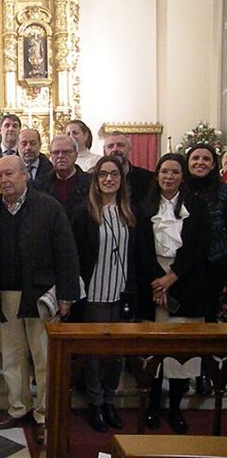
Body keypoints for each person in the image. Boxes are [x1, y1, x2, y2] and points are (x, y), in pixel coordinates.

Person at [0, 155, 79, 444]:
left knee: (43, 358)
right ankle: (18, 408)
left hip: (40, 294)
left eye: (10, 174)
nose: (4, 180)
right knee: (12, 358)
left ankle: (44, 415)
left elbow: (66, 252)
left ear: (24, 176)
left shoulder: (48, 207)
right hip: (4, 295)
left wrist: (67, 295)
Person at [136, 153, 210, 434]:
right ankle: (153, 406)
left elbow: (199, 247)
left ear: (182, 176)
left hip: (186, 282)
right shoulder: (144, 207)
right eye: (165, 171)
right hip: (152, 283)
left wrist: (172, 277)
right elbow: (141, 248)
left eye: (175, 172)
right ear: (157, 174)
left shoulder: (197, 207)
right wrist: (158, 281)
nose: (169, 177)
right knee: (154, 353)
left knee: (181, 353)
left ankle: (176, 408)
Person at [71, 156, 136, 432]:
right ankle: (95, 403)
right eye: (103, 175)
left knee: (117, 354)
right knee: (95, 354)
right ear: (96, 181)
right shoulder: (84, 212)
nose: (109, 179)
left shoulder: (131, 213)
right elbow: (74, 254)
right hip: (94, 292)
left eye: (114, 175)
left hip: (121, 293)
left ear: (121, 181)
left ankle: (110, 400)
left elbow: (137, 257)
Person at [184, 144, 227, 395]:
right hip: (187, 267)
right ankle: (188, 368)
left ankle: (205, 371)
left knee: (208, 321)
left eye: (206, 159)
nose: (200, 162)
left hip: (214, 264)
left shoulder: (222, 193)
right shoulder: (180, 189)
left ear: (213, 164)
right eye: (195, 158)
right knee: (189, 321)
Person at [32, 135, 91, 220]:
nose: (60, 156)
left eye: (66, 152)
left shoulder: (90, 183)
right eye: (56, 152)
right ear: (51, 156)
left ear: (76, 155)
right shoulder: (39, 185)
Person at [104, 132, 153, 206]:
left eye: (120, 145)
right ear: (105, 151)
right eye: (110, 146)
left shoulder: (148, 179)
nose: (115, 149)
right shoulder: (95, 179)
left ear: (130, 149)